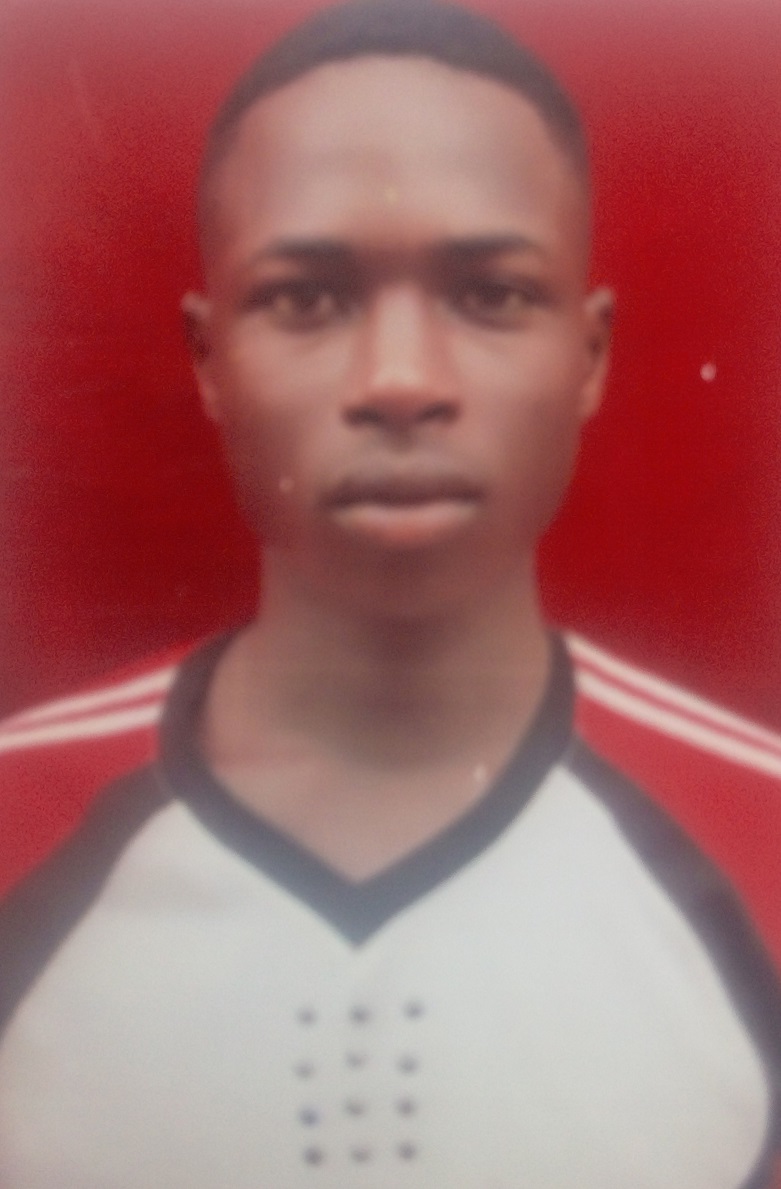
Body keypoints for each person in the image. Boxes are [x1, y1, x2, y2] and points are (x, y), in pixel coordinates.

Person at [1, 1, 780, 1185]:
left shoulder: (760, 842)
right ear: (210, 362)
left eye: (491, 293)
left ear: (589, 355)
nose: (401, 380)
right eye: (306, 298)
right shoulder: (19, 826)